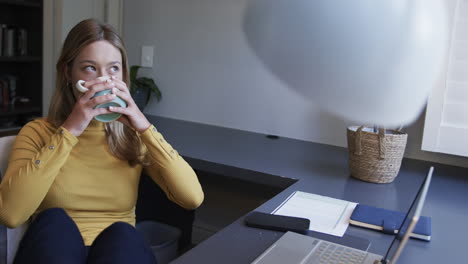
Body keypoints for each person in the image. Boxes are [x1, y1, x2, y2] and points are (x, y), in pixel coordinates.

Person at [0, 18, 204, 264]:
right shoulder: (37, 132)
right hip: (54, 249)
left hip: (116, 252)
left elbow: (192, 197)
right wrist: (70, 130)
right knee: (55, 222)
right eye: (90, 68)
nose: (104, 79)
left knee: (123, 234)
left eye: (113, 69)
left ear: (123, 75)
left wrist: (144, 127)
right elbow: (11, 215)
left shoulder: (133, 137)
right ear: (68, 72)